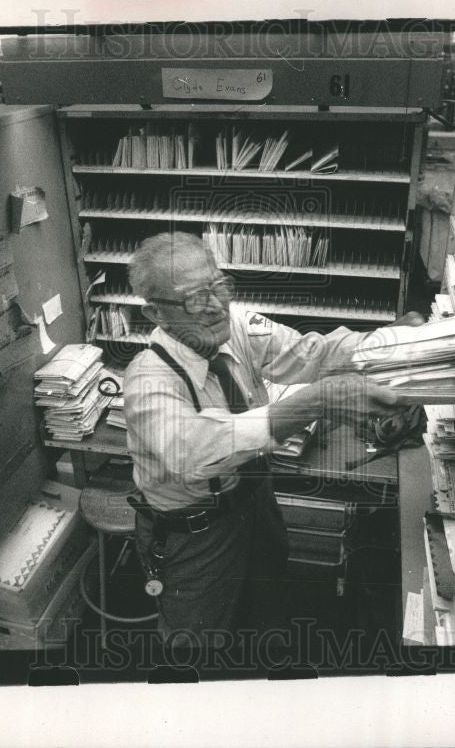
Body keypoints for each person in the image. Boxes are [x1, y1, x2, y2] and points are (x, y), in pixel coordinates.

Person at [123, 232, 420, 650]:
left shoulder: (238, 328)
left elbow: (310, 352)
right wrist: (314, 402)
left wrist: (388, 342)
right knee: (196, 644)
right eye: (194, 298)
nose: (215, 306)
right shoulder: (147, 378)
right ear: (157, 313)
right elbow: (193, 452)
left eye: (219, 286)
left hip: (255, 503)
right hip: (196, 536)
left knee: (266, 616)